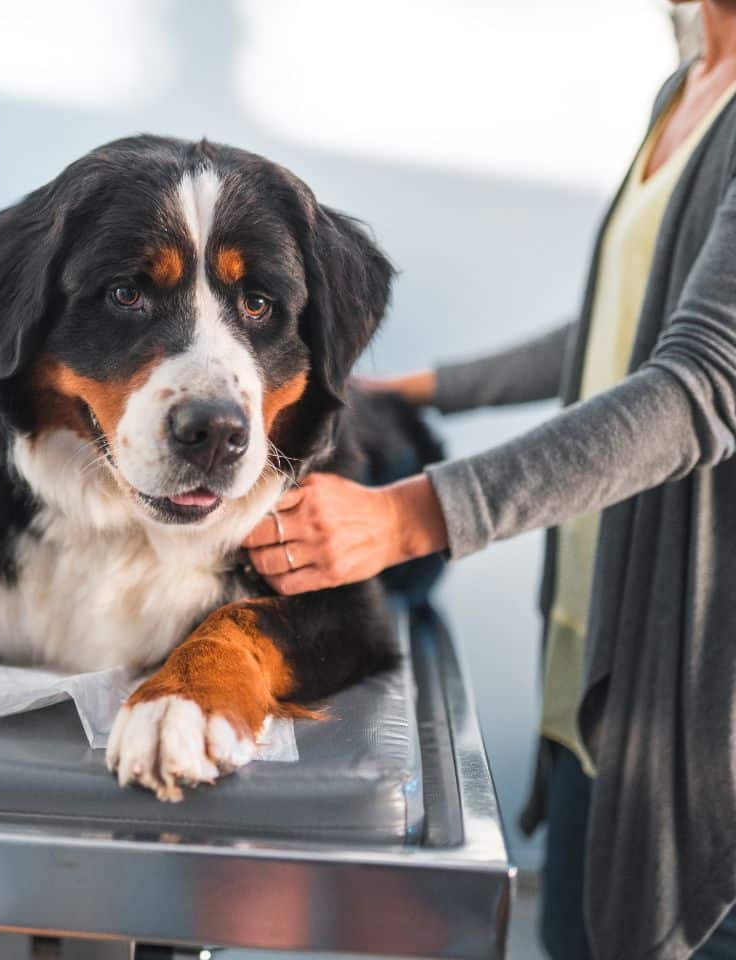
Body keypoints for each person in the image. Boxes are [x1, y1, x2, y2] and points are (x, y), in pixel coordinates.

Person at [243, 1, 736, 957]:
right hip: (597, 632)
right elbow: (616, 327)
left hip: (695, 672)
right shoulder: (686, 90)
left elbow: (698, 387)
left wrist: (407, 518)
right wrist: (425, 388)